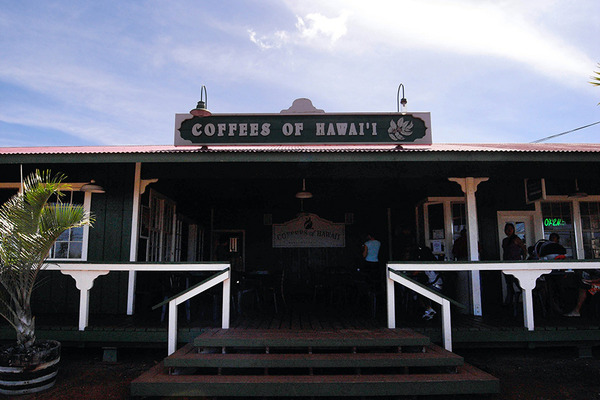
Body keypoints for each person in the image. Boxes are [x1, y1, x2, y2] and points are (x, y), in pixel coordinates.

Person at [501, 223, 527, 307]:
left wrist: (523, 260)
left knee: (517, 281)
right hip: (506, 263)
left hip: (515, 263)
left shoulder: (516, 239)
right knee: (508, 283)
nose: (508, 230)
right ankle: (509, 301)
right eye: (507, 229)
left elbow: (524, 249)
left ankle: (526, 298)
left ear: (513, 230)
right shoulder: (505, 240)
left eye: (510, 229)